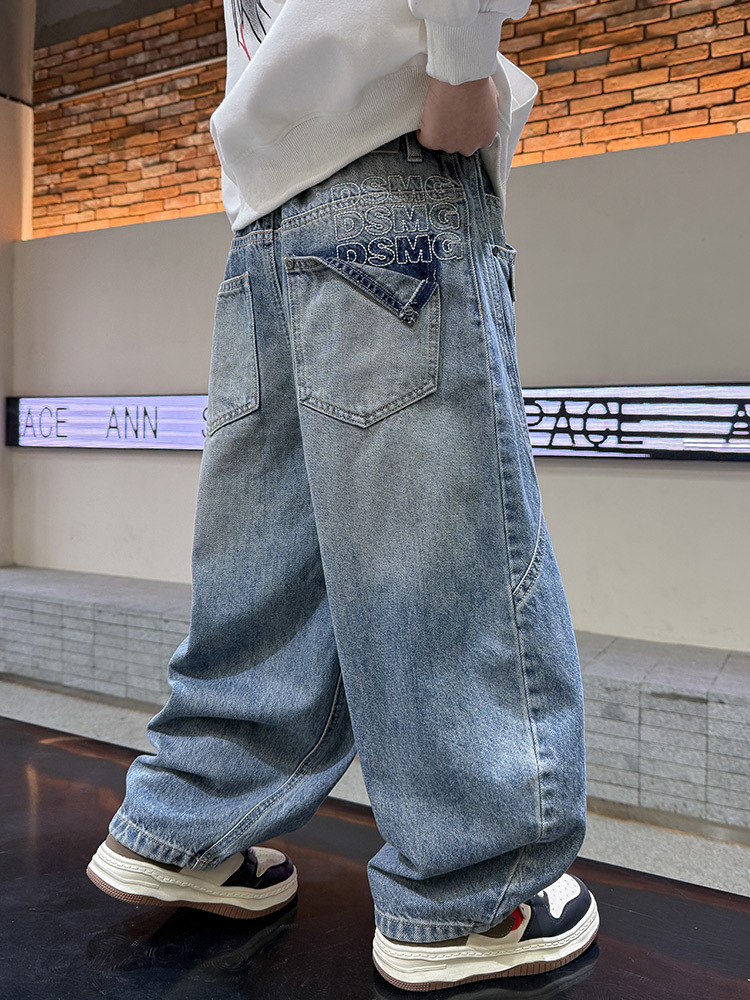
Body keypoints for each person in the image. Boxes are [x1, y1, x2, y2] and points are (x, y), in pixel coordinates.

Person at [85, 0, 600, 989]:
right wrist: (461, 64)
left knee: (269, 552)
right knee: (442, 542)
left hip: (268, 208)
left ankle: (185, 822)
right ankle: (473, 892)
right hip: (392, 159)